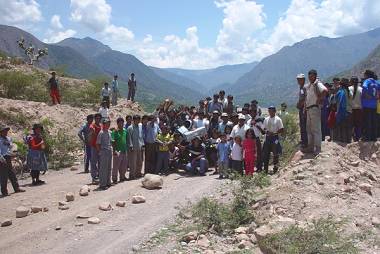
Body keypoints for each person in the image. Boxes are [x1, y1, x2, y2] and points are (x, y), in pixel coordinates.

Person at [304, 69, 327, 155]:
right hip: (309, 109)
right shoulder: (310, 85)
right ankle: (311, 146)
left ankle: (318, 148)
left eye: (312, 76)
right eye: (309, 76)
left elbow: (324, 91)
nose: (310, 77)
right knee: (309, 129)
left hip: (314, 108)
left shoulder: (318, 83)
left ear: (315, 76)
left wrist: (320, 99)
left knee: (316, 129)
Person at [0, 125, 25, 196]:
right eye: (4, 131)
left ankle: (16, 188)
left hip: (8, 157)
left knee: (12, 173)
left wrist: (12, 150)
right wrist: (1, 158)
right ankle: (4, 192)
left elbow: (10, 147)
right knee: (3, 176)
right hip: (2, 158)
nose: (6, 132)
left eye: (6, 131)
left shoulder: (8, 138)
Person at [262, 106, 284, 174]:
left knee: (275, 153)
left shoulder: (278, 119)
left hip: (275, 137)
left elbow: (282, 129)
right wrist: (267, 131)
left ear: (275, 111)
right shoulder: (266, 119)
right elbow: (264, 128)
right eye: (269, 111)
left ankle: (275, 168)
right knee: (266, 153)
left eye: (272, 111)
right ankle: (265, 169)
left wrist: (275, 133)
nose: (270, 112)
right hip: (268, 137)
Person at [361, 70, 378, 141]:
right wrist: (376, 97)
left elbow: (364, 87)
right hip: (374, 105)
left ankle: (367, 137)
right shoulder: (375, 82)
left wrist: (367, 95)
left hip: (366, 105)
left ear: (367, 75)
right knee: (373, 121)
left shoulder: (367, 81)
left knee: (367, 121)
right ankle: (374, 137)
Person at [335, 78, 353, 143]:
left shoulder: (341, 92)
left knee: (342, 129)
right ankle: (348, 142)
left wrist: (338, 113)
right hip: (350, 112)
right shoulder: (350, 92)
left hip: (343, 113)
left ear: (341, 85)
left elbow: (340, 104)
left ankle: (343, 143)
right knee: (348, 129)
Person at [96, 118, 112, 190]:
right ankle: (102, 184)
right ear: (103, 124)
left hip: (109, 151)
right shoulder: (101, 133)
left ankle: (108, 182)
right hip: (103, 151)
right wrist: (100, 152)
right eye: (106, 124)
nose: (108, 125)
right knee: (103, 168)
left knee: (109, 167)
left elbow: (110, 141)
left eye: (109, 123)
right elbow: (98, 144)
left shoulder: (109, 132)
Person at [111, 117, 128, 183]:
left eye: (122, 123)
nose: (121, 124)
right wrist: (114, 150)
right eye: (120, 123)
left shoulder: (125, 131)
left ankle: (122, 177)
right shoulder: (115, 131)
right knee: (116, 166)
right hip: (117, 151)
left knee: (123, 166)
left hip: (124, 150)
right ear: (117, 124)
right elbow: (113, 142)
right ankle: (114, 179)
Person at [127, 115, 144, 180]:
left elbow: (140, 136)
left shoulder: (139, 127)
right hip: (133, 147)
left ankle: (138, 173)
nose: (137, 121)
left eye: (138, 120)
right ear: (133, 120)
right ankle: (132, 175)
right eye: (136, 120)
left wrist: (142, 144)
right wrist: (131, 146)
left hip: (139, 146)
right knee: (133, 162)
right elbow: (129, 138)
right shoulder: (130, 128)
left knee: (139, 161)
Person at [89, 113, 102, 183]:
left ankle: (100, 176)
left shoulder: (101, 126)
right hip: (94, 146)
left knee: (100, 162)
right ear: (95, 119)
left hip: (100, 146)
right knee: (94, 162)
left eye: (99, 118)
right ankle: (94, 177)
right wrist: (92, 131)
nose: (98, 119)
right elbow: (91, 128)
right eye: (97, 118)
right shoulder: (93, 125)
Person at [349, 76, 363, 141]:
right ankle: (358, 138)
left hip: (351, 110)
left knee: (351, 125)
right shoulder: (361, 89)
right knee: (358, 125)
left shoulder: (348, 89)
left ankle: (351, 138)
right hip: (359, 110)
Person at [296, 73, 308, 148]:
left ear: (303, 80)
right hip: (302, 108)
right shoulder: (301, 87)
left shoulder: (303, 88)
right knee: (302, 125)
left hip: (303, 109)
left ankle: (305, 141)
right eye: (298, 79)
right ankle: (303, 140)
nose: (298, 81)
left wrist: (299, 104)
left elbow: (303, 99)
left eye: (300, 79)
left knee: (303, 125)